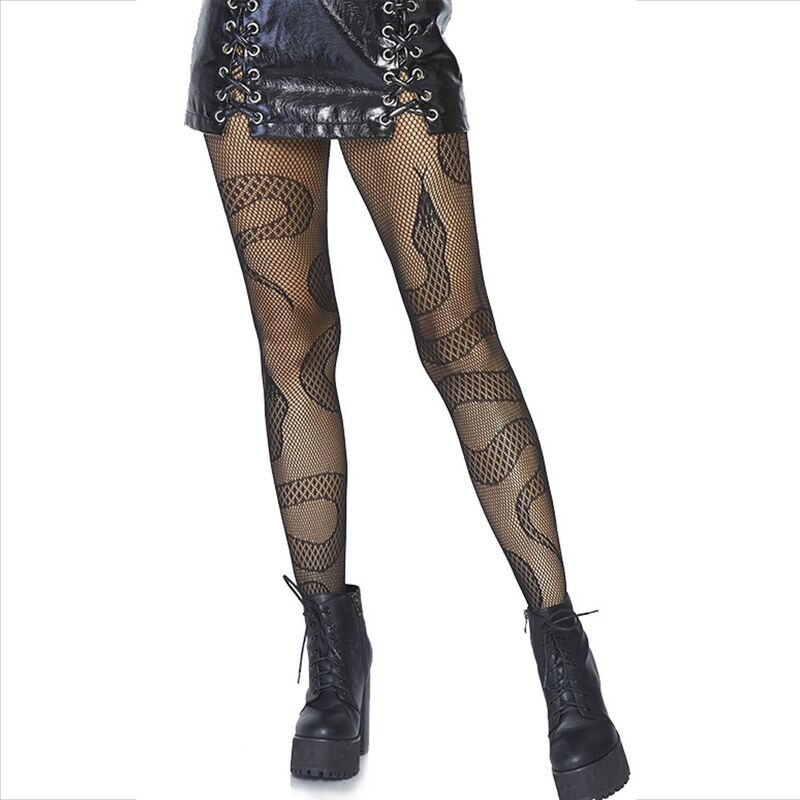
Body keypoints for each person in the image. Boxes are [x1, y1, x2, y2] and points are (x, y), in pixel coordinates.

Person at [185, 2, 629, 797]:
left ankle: (564, 655)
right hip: (252, 38)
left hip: (390, 38)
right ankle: (333, 656)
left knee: (458, 335)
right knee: (292, 340)